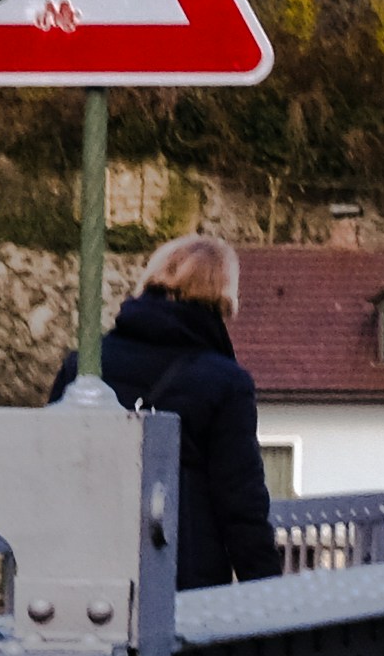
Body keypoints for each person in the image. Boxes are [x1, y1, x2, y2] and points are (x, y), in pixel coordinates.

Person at [98, 236, 285, 587]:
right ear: (223, 296)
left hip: (90, 573)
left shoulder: (86, 366)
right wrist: (269, 595)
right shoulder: (226, 383)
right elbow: (241, 505)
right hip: (181, 582)